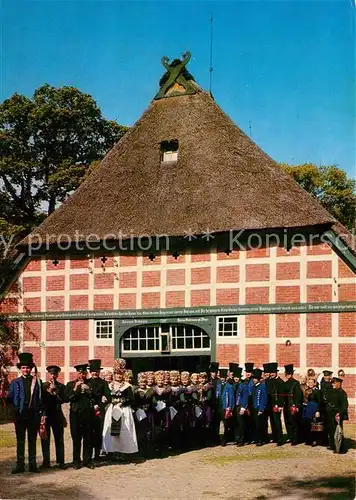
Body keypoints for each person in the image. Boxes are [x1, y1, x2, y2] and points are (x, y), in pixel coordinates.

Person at [7, 352, 43, 473]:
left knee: (32, 440)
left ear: (31, 368)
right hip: (20, 416)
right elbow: (10, 399)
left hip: (33, 416)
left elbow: (40, 399)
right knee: (20, 441)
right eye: (23, 367)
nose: (25, 369)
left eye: (27, 367)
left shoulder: (37, 382)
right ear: (20, 369)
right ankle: (20, 465)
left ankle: (32, 465)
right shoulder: (15, 383)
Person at [102, 358, 138, 457]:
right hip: (112, 409)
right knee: (111, 430)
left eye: (120, 374)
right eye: (116, 374)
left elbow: (131, 399)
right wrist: (104, 398)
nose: (118, 376)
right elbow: (106, 396)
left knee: (124, 430)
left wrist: (122, 402)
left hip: (124, 410)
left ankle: (124, 452)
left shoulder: (127, 386)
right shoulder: (109, 385)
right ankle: (112, 451)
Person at [65, 363, 95, 469]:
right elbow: (68, 398)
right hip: (75, 414)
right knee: (76, 438)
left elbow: (95, 396)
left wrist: (88, 390)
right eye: (79, 373)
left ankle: (87, 460)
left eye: (83, 373)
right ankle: (76, 461)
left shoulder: (91, 383)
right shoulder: (70, 384)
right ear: (76, 373)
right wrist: (75, 388)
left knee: (88, 438)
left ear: (86, 374)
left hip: (88, 414)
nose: (81, 375)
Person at [41, 365, 66, 469]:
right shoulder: (43, 386)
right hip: (46, 415)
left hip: (57, 415)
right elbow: (41, 402)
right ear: (48, 374)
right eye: (51, 374)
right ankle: (46, 462)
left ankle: (61, 462)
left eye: (55, 374)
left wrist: (55, 393)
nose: (53, 376)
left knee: (59, 439)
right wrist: (48, 392)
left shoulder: (61, 386)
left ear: (57, 375)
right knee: (45, 439)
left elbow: (63, 400)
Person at [87, 359, 111, 461]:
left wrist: (105, 399)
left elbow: (109, 396)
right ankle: (87, 456)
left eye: (97, 371)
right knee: (88, 433)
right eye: (93, 371)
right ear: (90, 372)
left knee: (98, 432)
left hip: (99, 411)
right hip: (88, 410)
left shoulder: (103, 383)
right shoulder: (87, 382)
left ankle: (97, 455)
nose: (95, 373)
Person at [326, 377, 348, 453]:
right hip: (330, 413)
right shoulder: (332, 391)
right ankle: (333, 445)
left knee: (338, 431)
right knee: (331, 430)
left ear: (339, 383)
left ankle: (340, 448)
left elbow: (344, 405)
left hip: (337, 414)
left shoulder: (342, 393)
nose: (333, 384)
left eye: (334, 383)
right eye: (332, 383)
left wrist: (339, 413)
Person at [283, 364, 303, 445]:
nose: (288, 375)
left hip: (292, 405)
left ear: (291, 374)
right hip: (286, 405)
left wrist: (296, 405)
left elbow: (299, 395)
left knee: (294, 423)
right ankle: (290, 437)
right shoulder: (285, 383)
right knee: (287, 422)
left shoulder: (296, 383)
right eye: (287, 374)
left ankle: (295, 439)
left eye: (289, 374)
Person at [266, 363, 284, 446]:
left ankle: (280, 438)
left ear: (276, 373)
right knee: (272, 421)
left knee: (277, 421)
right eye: (271, 372)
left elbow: (281, 395)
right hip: (269, 404)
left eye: (273, 372)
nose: (272, 374)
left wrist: (280, 405)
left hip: (276, 404)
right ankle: (275, 437)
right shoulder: (268, 381)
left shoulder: (280, 382)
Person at [301, 377, 321, 446]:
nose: (310, 384)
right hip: (308, 408)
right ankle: (308, 439)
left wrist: (318, 411)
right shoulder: (307, 390)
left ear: (314, 383)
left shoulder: (317, 391)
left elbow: (319, 401)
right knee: (307, 424)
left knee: (314, 424)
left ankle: (315, 440)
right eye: (309, 382)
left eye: (311, 382)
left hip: (314, 408)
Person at [251, 368, 268, 446]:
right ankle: (257, 439)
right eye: (253, 378)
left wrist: (261, 409)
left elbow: (263, 399)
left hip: (259, 408)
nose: (254, 380)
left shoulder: (262, 387)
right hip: (254, 408)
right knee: (255, 425)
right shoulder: (253, 387)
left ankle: (261, 440)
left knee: (260, 425)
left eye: (255, 378)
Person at [220, 368, 236, 446]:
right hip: (220, 407)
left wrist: (230, 407)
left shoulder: (229, 386)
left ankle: (225, 440)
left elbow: (232, 398)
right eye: (221, 377)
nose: (222, 379)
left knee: (226, 425)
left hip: (226, 407)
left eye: (223, 377)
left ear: (226, 378)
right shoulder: (219, 386)